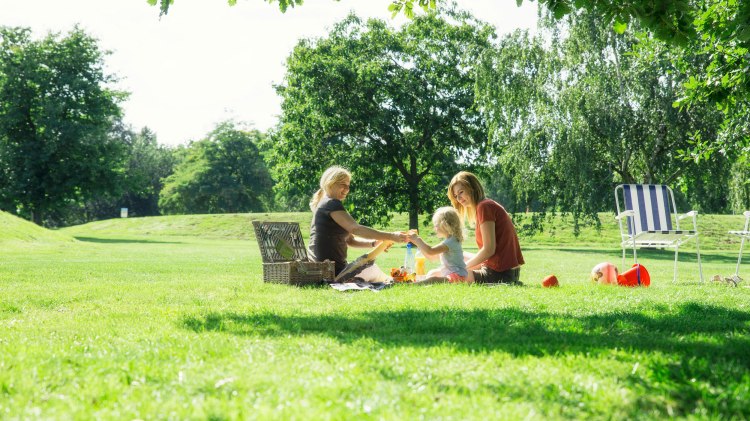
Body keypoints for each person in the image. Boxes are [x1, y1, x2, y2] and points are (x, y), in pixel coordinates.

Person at [308, 166, 407, 276]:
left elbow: (350, 240)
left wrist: (375, 242)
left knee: (372, 270)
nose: (346, 189)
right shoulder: (331, 203)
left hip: (328, 269)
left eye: (348, 186)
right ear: (331, 183)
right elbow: (356, 229)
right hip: (330, 271)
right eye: (343, 185)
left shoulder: (327, 204)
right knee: (373, 270)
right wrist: (391, 236)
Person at [448, 171, 524, 284]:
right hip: (507, 272)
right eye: (455, 195)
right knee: (455, 256)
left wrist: (462, 267)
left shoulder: (485, 207)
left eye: (461, 192)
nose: (458, 198)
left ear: (472, 188)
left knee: (448, 274)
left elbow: (489, 250)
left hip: (499, 274)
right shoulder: (485, 205)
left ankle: (422, 281)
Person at [408, 207, 472, 283]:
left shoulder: (450, 242)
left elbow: (431, 251)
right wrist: (417, 243)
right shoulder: (450, 240)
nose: (434, 228)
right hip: (452, 275)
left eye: (436, 225)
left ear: (445, 225)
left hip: (457, 276)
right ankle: (424, 283)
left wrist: (417, 240)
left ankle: (415, 284)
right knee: (432, 273)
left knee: (433, 279)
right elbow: (432, 257)